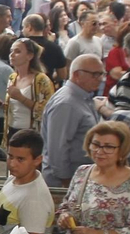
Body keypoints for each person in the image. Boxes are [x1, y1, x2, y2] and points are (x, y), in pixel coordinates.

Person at [0, 129, 55, 234]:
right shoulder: (13, 179)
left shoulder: (34, 200)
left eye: (20, 159)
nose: (12, 164)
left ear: (37, 160)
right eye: (10, 156)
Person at [41, 53, 107, 187]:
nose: (100, 79)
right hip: (65, 183)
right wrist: (65, 180)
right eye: (95, 74)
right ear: (77, 75)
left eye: (101, 74)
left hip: (79, 179)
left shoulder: (83, 97)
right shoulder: (66, 103)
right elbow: (58, 148)